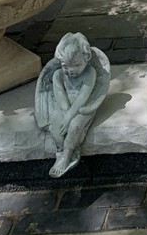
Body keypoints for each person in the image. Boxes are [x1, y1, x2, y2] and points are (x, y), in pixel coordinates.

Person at [34, 32, 111, 177]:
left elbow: (83, 97)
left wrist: (69, 115)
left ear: (86, 58)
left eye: (76, 65)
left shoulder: (90, 73)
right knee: (55, 127)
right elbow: (59, 94)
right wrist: (65, 111)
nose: (70, 71)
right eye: (65, 66)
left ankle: (66, 155)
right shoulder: (58, 74)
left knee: (75, 126)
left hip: (83, 107)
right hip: (65, 106)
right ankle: (68, 148)